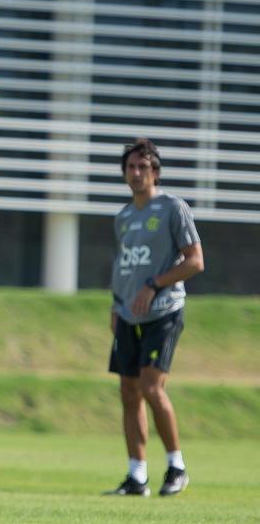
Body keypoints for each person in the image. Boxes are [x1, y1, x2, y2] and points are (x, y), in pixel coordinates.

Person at [104, 138, 203, 498]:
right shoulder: (124, 217)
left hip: (164, 311)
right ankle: (137, 476)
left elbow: (195, 261)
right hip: (128, 314)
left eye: (143, 167)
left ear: (155, 172)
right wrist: (118, 305)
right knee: (128, 391)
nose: (136, 172)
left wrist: (153, 284)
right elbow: (123, 265)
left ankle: (176, 466)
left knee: (150, 387)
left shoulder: (173, 208)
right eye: (131, 167)